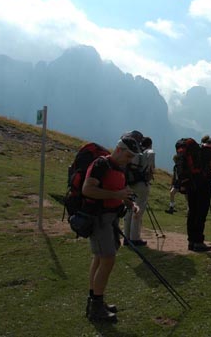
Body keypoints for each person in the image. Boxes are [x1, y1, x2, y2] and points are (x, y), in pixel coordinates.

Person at [82, 136, 141, 323]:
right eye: (129, 155)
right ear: (119, 149)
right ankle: (96, 308)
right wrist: (116, 195)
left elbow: (120, 191)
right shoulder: (101, 164)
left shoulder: (118, 168)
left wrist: (131, 204)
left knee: (100, 259)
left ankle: (95, 301)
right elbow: (87, 190)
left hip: (110, 218)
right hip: (99, 219)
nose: (130, 159)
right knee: (108, 259)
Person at [123, 135, 155, 246]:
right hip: (142, 184)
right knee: (138, 210)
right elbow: (151, 170)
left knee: (129, 209)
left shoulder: (135, 153)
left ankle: (126, 237)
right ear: (150, 144)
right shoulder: (149, 153)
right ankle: (135, 238)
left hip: (130, 183)